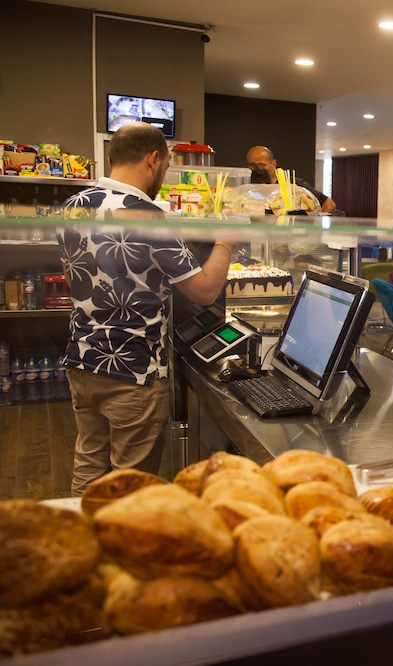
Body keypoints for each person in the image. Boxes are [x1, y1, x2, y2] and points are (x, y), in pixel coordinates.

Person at [58, 122, 236, 495]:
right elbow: (204, 291)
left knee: (89, 468)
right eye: (166, 167)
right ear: (153, 159)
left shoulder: (73, 206)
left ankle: (83, 527)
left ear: (112, 158)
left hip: (82, 359)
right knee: (131, 488)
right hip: (133, 370)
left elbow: (74, 277)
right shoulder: (149, 217)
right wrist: (225, 243)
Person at [246, 145, 336, 214]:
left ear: (273, 164)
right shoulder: (248, 189)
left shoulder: (294, 185)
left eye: (262, 165)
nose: (257, 169)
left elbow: (329, 204)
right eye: (252, 165)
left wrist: (315, 223)